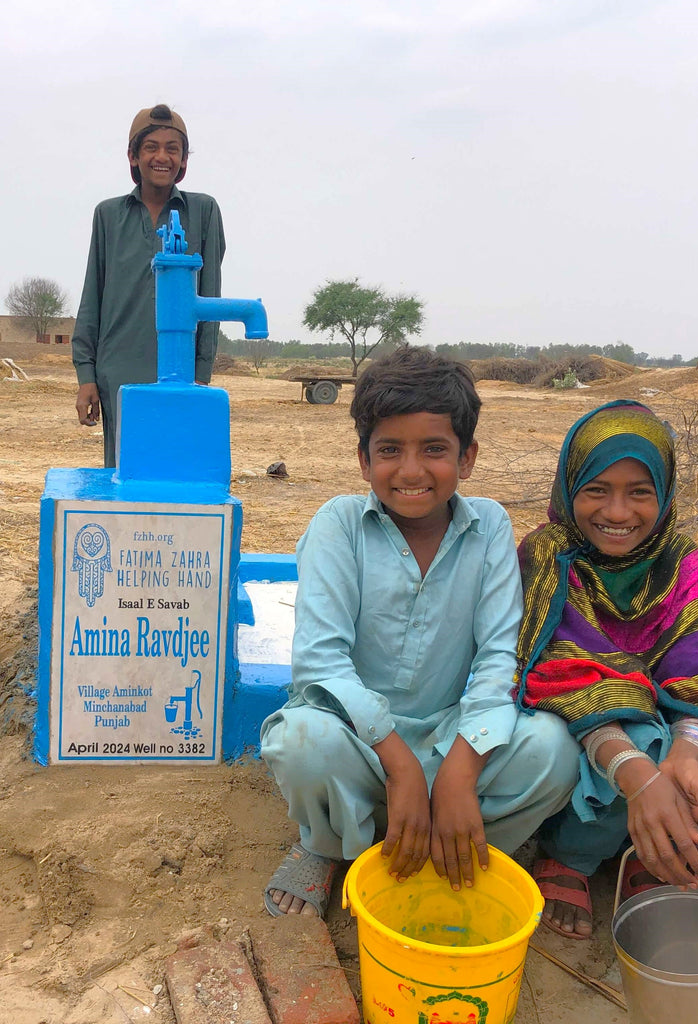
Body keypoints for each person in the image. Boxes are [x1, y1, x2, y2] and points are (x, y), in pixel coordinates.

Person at [260, 347, 580, 917]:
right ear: (363, 460)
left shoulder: (490, 529)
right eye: (390, 450)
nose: (411, 471)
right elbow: (321, 661)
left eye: (434, 449)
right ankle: (328, 845)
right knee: (300, 742)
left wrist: (460, 767)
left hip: (454, 734)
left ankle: (448, 840)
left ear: (468, 457)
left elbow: (498, 657)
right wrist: (400, 764)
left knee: (553, 753)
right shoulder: (338, 525)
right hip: (360, 742)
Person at [515, 399, 698, 939]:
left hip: (665, 714)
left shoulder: (679, 558)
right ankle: (570, 857)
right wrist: (641, 765)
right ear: (568, 487)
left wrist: (687, 751)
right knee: (635, 746)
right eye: (597, 489)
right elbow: (560, 669)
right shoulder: (549, 554)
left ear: (665, 493)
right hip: (586, 722)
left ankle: (657, 855)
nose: (619, 512)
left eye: (640, 492)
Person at [71, 104, 225, 467]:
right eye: (151, 147)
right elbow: (92, 295)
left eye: (173, 148)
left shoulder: (203, 212)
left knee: (175, 473)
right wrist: (86, 375)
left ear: (184, 159)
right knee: (125, 477)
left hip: (180, 375)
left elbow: (210, 296)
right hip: (118, 374)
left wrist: (201, 377)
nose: (162, 157)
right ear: (133, 156)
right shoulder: (108, 215)